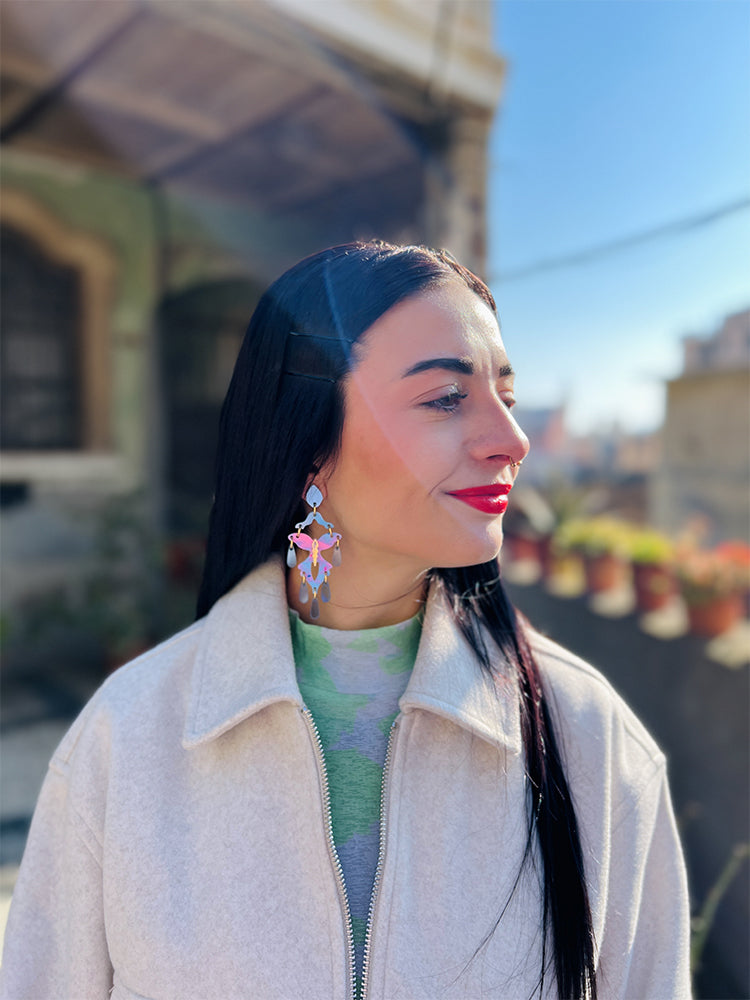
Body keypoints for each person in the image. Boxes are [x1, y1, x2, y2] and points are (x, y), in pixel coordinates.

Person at [1, 242, 691, 1000]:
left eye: (506, 397)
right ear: (309, 443)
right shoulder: (127, 736)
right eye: (445, 398)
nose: (513, 441)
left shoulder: (588, 737)